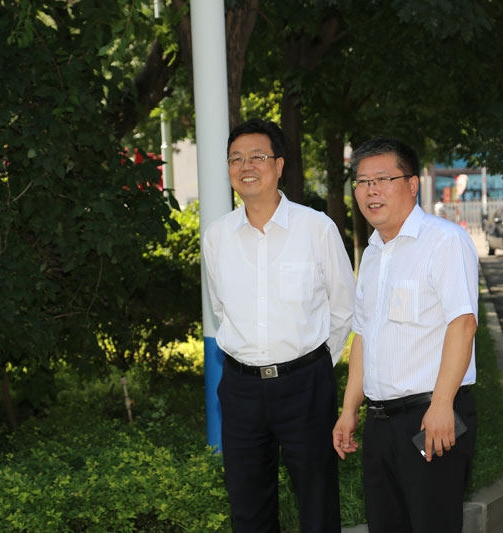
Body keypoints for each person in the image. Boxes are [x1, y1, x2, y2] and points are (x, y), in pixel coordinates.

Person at [203, 118, 356, 533]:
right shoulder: (217, 237)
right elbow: (221, 309)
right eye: (236, 158)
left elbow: (345, 308)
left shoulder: (316, 228)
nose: (246, 166)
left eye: (257, 156)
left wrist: (315, 363)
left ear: (279, 165)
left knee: (317, 504)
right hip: (240, 389)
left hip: (305, 385)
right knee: (248, 508)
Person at [332, 137, 479, 533]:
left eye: (383, 179)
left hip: (431, 416)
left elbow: (463, 324)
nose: (371, 190)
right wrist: (349, 410)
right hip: (380, 423)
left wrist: (443, 404)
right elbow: (363, 336)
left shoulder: (444, 241)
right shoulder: (373, 253)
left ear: (412, 184)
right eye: (362, 182)